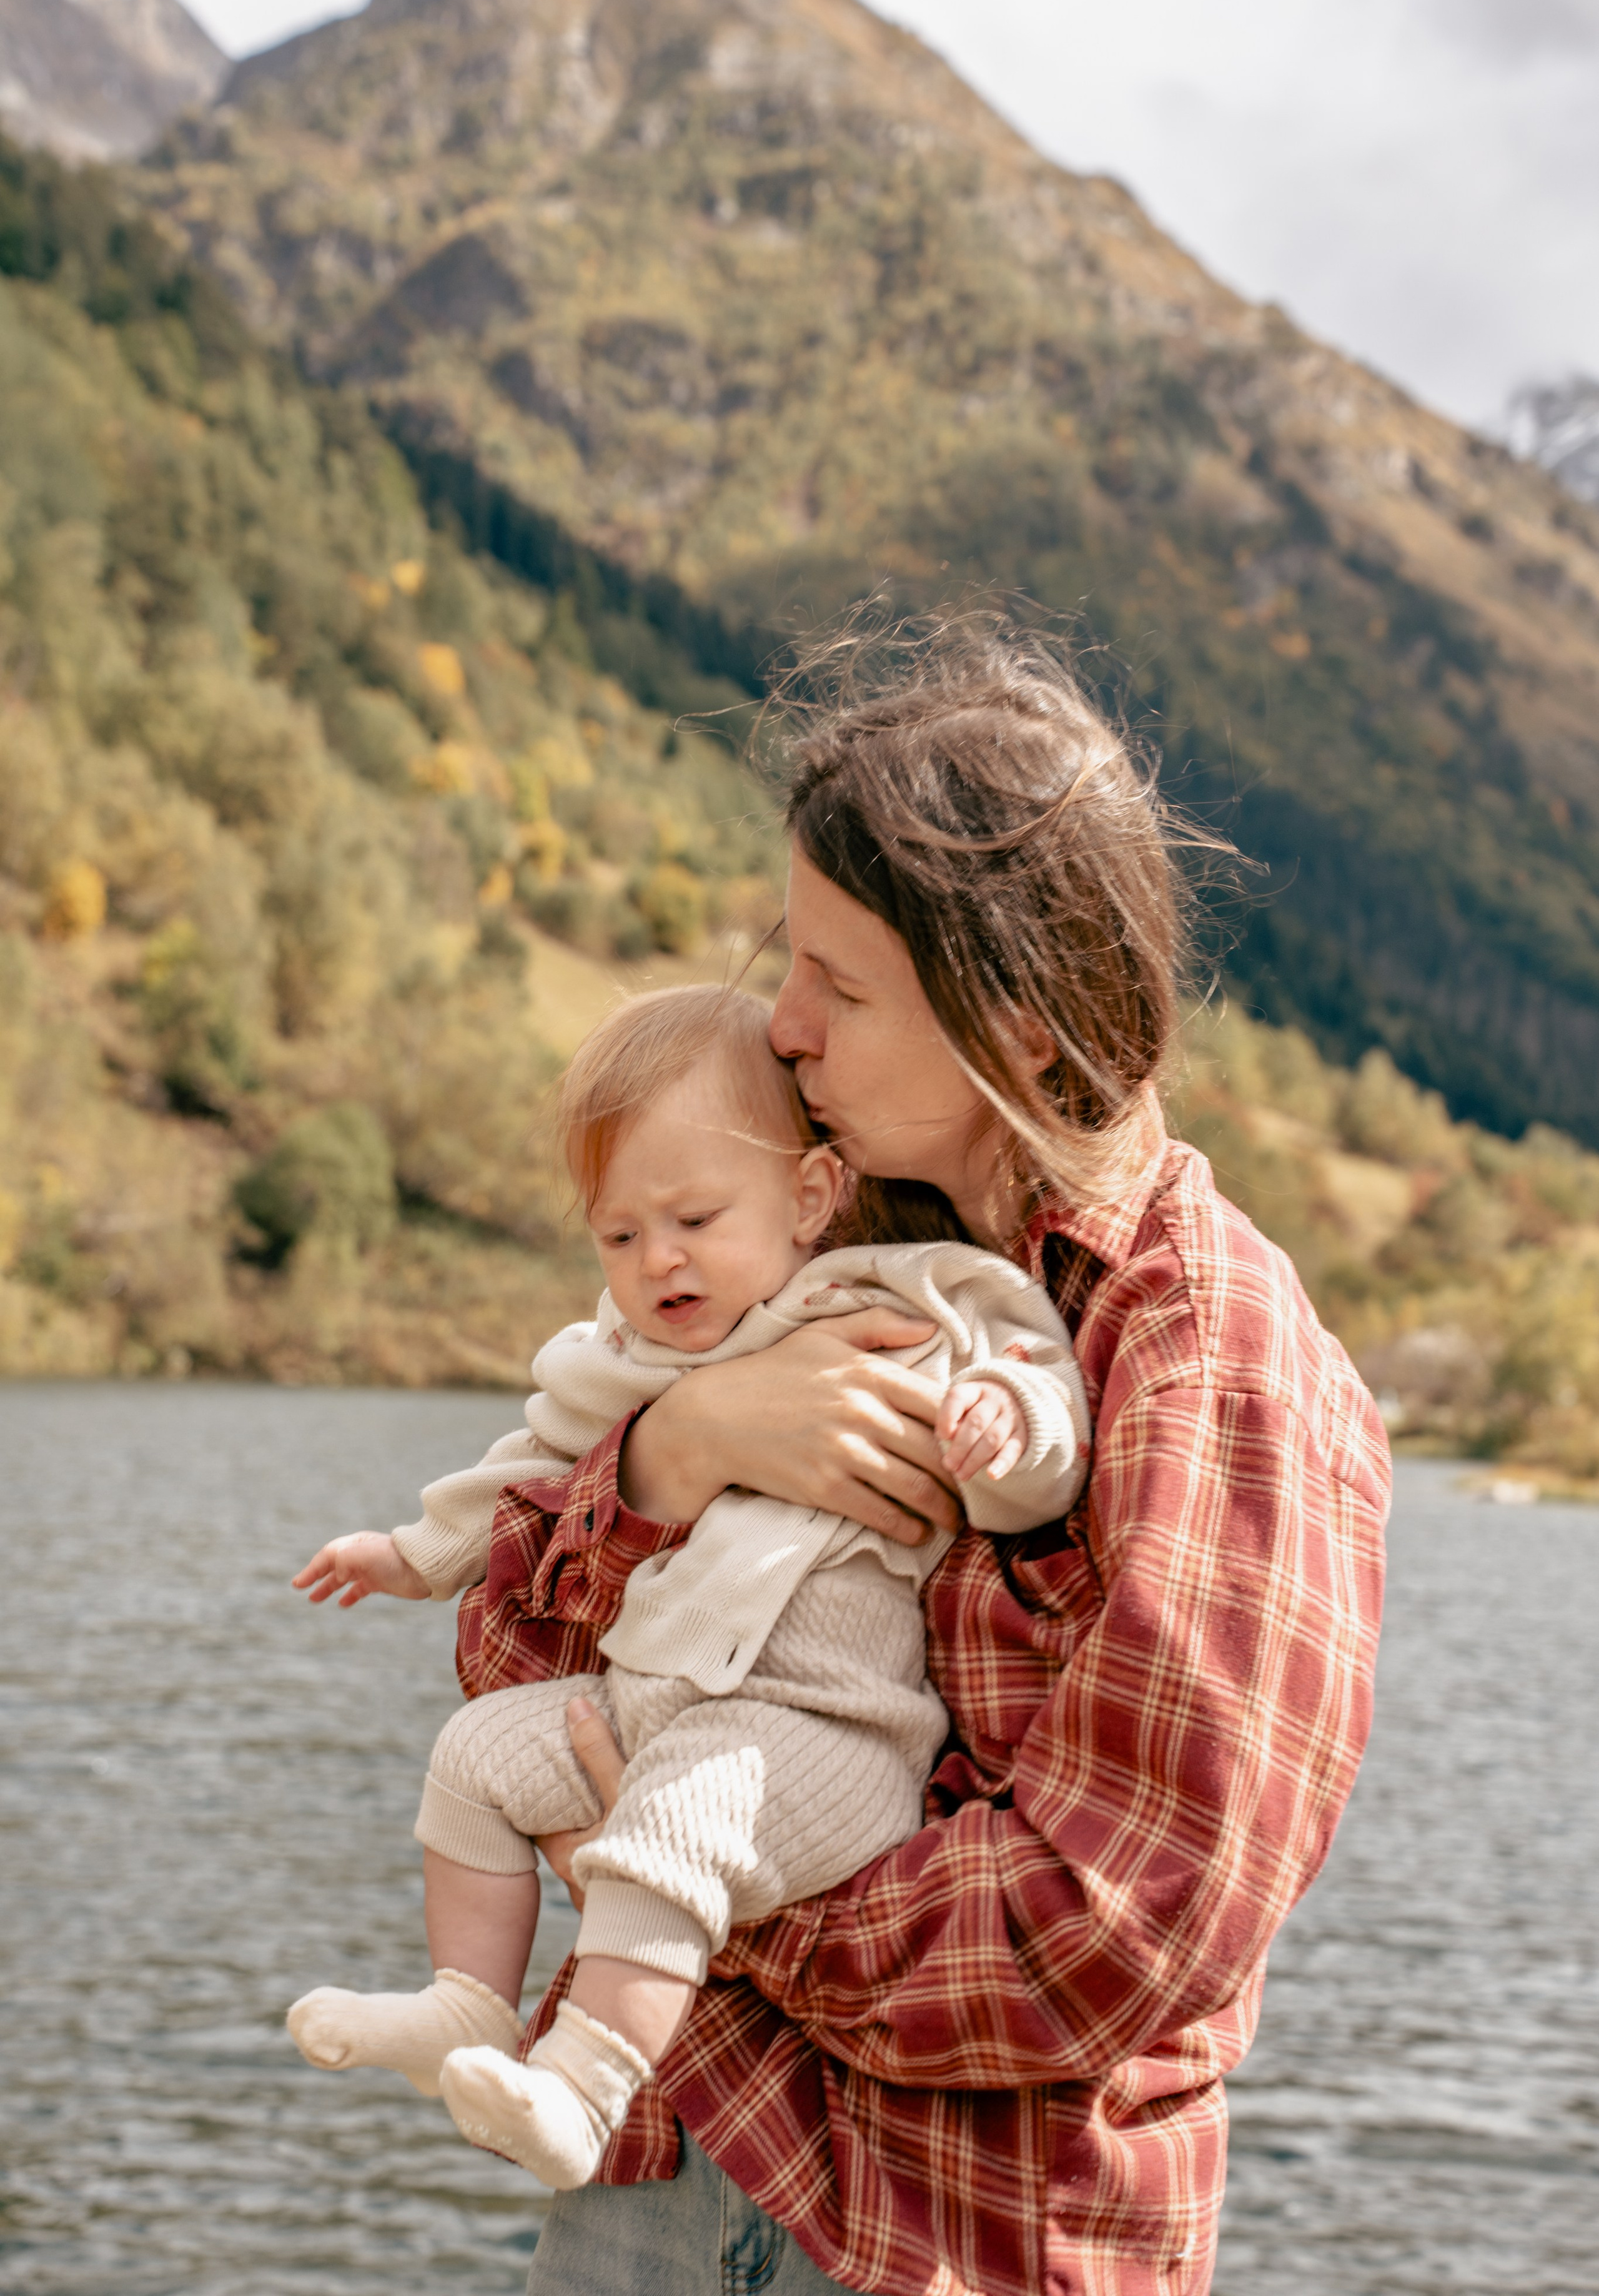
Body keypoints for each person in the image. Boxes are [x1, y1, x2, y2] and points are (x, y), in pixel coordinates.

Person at [453, 611, 1392, 2296]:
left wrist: (695, 1883)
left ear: (1022, 1018)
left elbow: (1115, 1926)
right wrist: (673, 1451)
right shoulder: (814, 1255)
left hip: (953, 2245)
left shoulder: (1217, 1364)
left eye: (841, 984)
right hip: (667, 2160)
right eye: (787, 960)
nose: (785, 1027)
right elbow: (505, 1657)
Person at [287, 982, 1091, 2191]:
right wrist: (409, 1555)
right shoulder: (634, 1362)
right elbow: (527, 1476)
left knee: (673, 1822)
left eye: (697, 1218)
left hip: (822, 1732)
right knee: (476, 1757)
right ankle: (470, 2005)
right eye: (621, 1236)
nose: (659, 1259)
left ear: (809, 1197)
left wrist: (1004, 1418)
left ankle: (582, 2090)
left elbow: (1035, 1386)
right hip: (654, 1706)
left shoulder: (892, 1302)